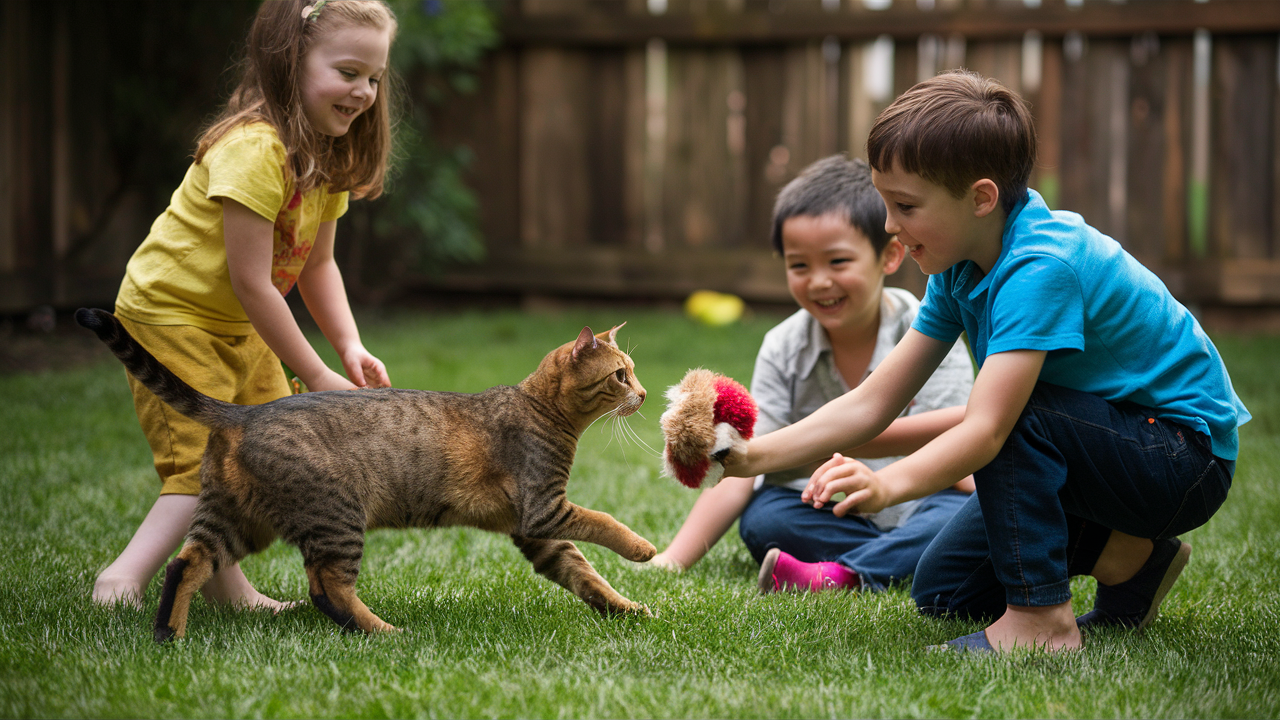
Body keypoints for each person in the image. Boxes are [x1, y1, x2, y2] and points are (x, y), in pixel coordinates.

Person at [723, 70, 1250, 653]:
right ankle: (1131, 559)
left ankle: (1041, 624)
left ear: (980, 198)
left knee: (1012, 418)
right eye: (884, 203)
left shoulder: (1040, 266)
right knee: (942, 590)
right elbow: (875, 402)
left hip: (1180, 457)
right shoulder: (959, 266)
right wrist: (752, 456)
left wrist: (888, 483)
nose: (889, 225)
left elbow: (987, 428)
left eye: (904, 205)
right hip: (1105, 447)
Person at [93, 0, 397, 610]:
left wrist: (349, 346)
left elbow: (318, 265)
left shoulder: (328, 156)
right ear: (290, 60)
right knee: (204, 463)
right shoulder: (255, 149)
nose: (363, 91)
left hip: (238, 322)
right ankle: (120, 581)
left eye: (374, 77)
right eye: (347, 72)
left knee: (261, 456)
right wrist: (314, 374)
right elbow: (254, 280)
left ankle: (223, 591)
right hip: (171, 314)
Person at [650, 155, 976, 595]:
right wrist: (672, 559)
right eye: (799, 265)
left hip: (920, 501)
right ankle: (903, 558)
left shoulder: (927, 328)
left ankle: (847, 574)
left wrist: (889, 485)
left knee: (966, 513)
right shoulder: (783, 347)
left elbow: (958, 453)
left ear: (891, 255)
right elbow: (744, 464)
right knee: (766, 517)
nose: (819, 281)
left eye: (838, 261)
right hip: (832, 513)